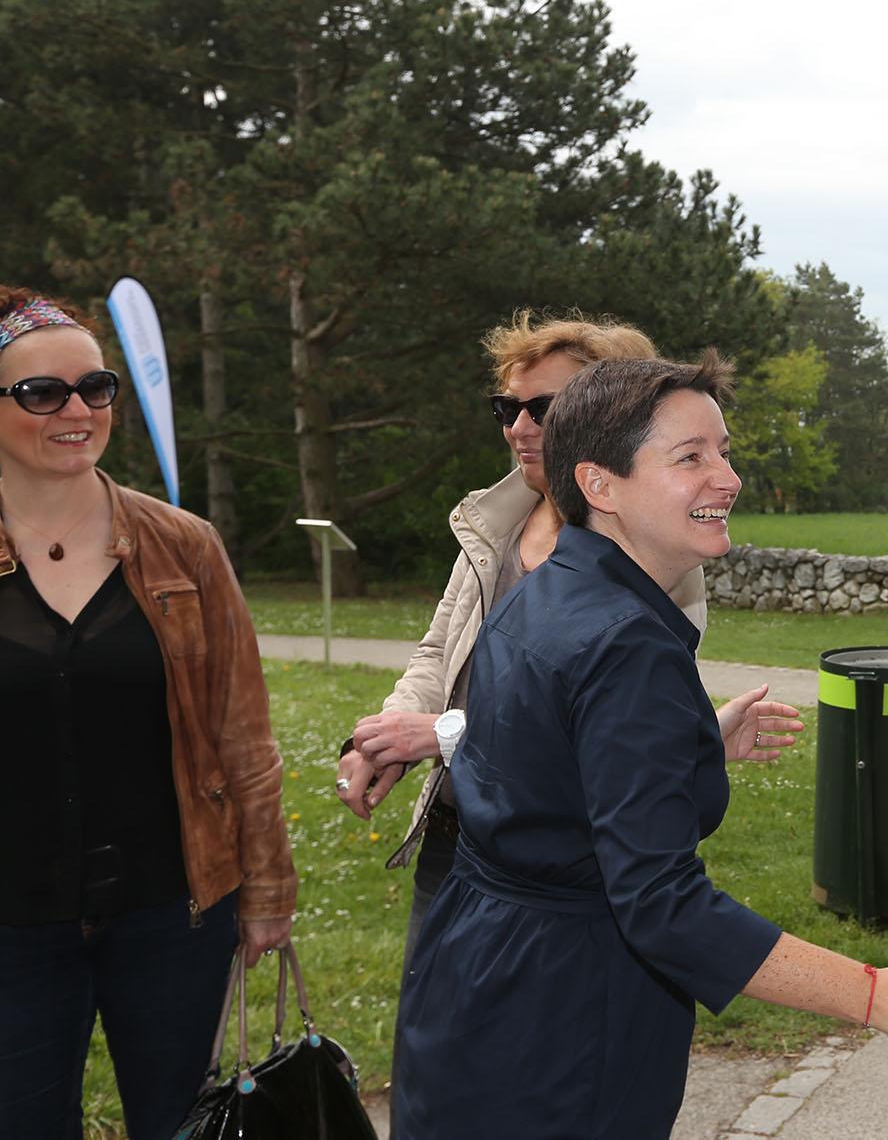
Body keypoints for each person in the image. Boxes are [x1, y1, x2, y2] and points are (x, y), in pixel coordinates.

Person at [394, 355, 888, 1138]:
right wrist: (876, 992)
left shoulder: (551, 589)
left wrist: (687, 745)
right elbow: (659, 901)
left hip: (472, 979)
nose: (728, 477)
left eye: (723, 449)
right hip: (560, 1017)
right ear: (600, 485)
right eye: (691, 457)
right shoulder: (624, 641)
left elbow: (538, 774)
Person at [332, 312, 800, 1083]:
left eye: (542, 408)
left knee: (505, 1067)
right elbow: (440, 650)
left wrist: (441, 735)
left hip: (563, 878)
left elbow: (605, 725)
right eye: (506, 407)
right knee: (474, 1057)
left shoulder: (661, 556)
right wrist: (386, 733)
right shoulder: (499, 523)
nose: (520, 426)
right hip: (473, 846)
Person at [0, 288, 295, 1140]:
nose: (77, 410)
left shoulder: (186, 545)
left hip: (174, 914)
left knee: (182, 1125)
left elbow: (244, 734)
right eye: (41, 392)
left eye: (95, 387)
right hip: (12, 924)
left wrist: (269, 888)